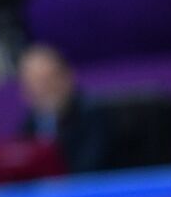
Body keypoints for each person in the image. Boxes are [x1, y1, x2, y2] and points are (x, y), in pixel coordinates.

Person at [17, 43, 111, 175]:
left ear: (67, 77)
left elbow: (90, 168)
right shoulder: (30, 124)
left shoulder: (93, 115)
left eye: (48, 79)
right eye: (34, 83)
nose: (43, 89)